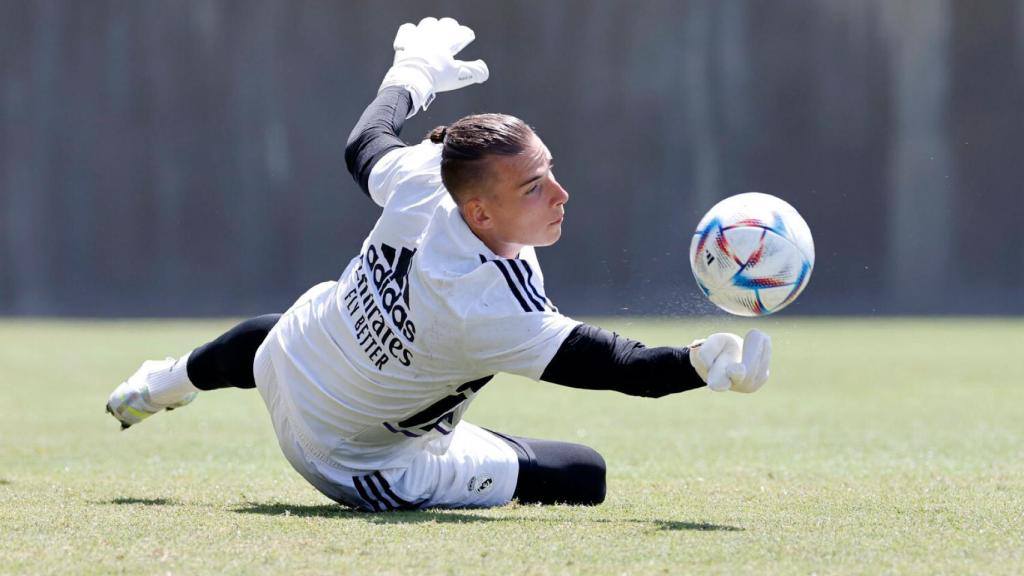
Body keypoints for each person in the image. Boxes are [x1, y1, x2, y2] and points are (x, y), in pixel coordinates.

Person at [106, 17, 772, 512]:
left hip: (291, 359)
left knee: (283, 330)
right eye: (533, 186)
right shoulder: (490, 307)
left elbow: (364, 142)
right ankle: (436, 439)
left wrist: (412, 74)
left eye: (549, 170)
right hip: (355, 462)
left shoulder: (430, 175)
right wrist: (699, 364)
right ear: (480, 214)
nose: (561, 194)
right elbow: (621, 368)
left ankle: (156, 387)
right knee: (584, 475)